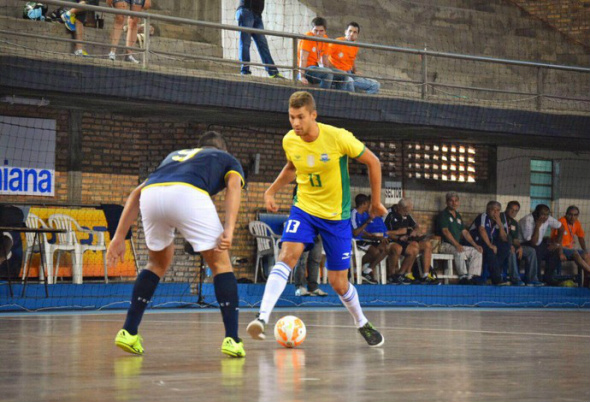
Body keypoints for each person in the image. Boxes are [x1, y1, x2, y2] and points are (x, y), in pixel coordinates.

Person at [247, 91, 386, 347]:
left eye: (300, 117)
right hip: (304, 210)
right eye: (291, 117)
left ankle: (361, 322)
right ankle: (262, 317)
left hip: (336, 218)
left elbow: (373, 162)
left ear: (313, 115)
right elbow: (292, 167)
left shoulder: (338, 137)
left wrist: (376, 202)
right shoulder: (290, 140)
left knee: (338, 283)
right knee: (287, 255)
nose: (295, 123)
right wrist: (271, 190)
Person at [106, 131, 247, 358]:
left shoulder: (174, 156)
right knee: (221, 264)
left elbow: (136, 193)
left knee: (156, 263)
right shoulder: (227, 159)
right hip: (188, 193)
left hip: (152, 196)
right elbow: (233, 187)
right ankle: (233, 339)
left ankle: (129, 331)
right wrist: (229, 229)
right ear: (223, 150)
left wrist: (118, 237)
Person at [385, 198, 438, 284]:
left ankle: (404, 274)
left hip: (405, 240)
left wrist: (415, 231)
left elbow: (416, 226)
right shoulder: (387, 213)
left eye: (408, 211)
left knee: (424, 245)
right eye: (405, 211)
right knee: (398, 248)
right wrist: (398, 233)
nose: (407, 213)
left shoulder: (407, 214)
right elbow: (381, 232)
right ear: (399, 207)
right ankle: (392, 275)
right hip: (392, 240)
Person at [437, 192, 483, 284]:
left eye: (456, 201)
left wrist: (475, 245)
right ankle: (463, 277)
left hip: (456, 245)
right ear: (447, 202)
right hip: (445, 245)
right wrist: (457, 244)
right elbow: (445, 231)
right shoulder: (443, 215)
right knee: (459, 250)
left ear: (458, 202)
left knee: (477, 251)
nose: (454, 203)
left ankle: (471, 277)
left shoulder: (458, 216)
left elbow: (465, 232)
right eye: (451, 201)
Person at [351, 194, 396, 284]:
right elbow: (355, 233)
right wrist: (367, 222)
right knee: (375, 252)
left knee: (385, 248)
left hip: (367, 239)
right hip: (357, 241)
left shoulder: (364, 214)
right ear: (364, 204)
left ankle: (367, 270)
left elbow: (364, 231)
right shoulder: (353, 213)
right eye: (368, 203)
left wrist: (374, 236)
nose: (369, 205)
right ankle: (357, 268)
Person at [328, 22, 380, 94]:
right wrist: (334, 69)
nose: (352, 34)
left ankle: (362, 102)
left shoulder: (355, 46)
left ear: (357, 35)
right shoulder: (336, 42)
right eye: (350, 31)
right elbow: (324, 56)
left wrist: (355, 71)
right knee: (350, 82)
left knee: (376, 85)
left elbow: (352, 60)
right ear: (345, 31)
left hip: (350, 74)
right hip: (339, 75)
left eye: (355, 32)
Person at [519, 204, 564, 286]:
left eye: (547, 214)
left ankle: (548, 277)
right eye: (542, 214)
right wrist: (537, 226)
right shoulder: (527, 220)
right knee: (536, 251)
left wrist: (556, 244)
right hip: (524, 244)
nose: (545, 217)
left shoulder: (547, 218)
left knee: (555, 251)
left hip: (538, 244)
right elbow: (533, 243)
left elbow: (561, 227)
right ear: (536, 213)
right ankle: (536, 279)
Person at [468, 201, 511, 286]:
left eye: (498, 210)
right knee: (490, 250)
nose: (495, 212)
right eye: (493, 210)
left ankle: (493, 273)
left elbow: (504, 238)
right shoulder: (483, 216)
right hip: (475, 243)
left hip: (487, 243)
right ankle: (496, 279)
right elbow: (482, 230)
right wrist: (490, 245)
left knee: (506, 246)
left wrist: (500, 224)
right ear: (488, 210)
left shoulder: (498, 220)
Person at [236, 0, 282, 77]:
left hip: (257, 14)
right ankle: (245, 71)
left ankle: (273, 72)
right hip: (246, 10)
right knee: (245, 42)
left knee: (263, 44)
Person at [502, 201, 541, 286]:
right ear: (507, 208)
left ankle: (532, 279)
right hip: (501, 245)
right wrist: (511, 245)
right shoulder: (500, 217)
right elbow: (501, 236)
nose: (513, 212)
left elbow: (515, 239)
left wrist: (520, 247)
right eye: (511, 209)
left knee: (531, 251)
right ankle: (515, 279)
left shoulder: (514, 223)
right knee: (511, 250)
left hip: (511, 245)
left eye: (516, 211)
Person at [552, 206, 590, 279]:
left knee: (587, 255)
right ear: (566, 214)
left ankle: (586, 281)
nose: (572, 217)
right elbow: (557, 240)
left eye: (575, 215)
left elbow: (581, 237)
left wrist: (585, 250)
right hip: (559, 248)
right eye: (570, 214)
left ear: (577, 216)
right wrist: (560, 253)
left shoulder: (577, 223)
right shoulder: (561, 222)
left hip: (570, 249)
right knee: (575, 253)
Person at [297, 17, 334, 89]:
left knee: (344, 76)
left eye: (321, 31)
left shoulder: (325, 39)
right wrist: (302, 76)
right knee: (328, 73)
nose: (318, 33)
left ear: (325, 31)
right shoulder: (308, 37)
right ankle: (322, 97)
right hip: (307, 69)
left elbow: (325, 61)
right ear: (311, 30)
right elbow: (303, 58)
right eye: (315, 30)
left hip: (317, 68)